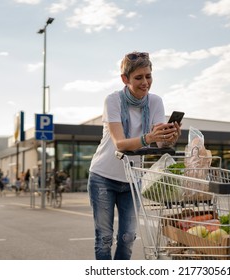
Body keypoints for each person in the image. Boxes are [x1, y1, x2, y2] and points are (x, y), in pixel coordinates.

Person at [87, 51, 182, 260]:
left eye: (148, 76)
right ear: (125, 79)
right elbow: (120, 143)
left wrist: (170, 137)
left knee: (128, 237)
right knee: (104, 238)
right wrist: (149, 137)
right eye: (138, 77)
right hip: (103, 177)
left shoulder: (155, 102)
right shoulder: (113, 101)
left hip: (132, 179)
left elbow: (159, 143)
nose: (145, 82)